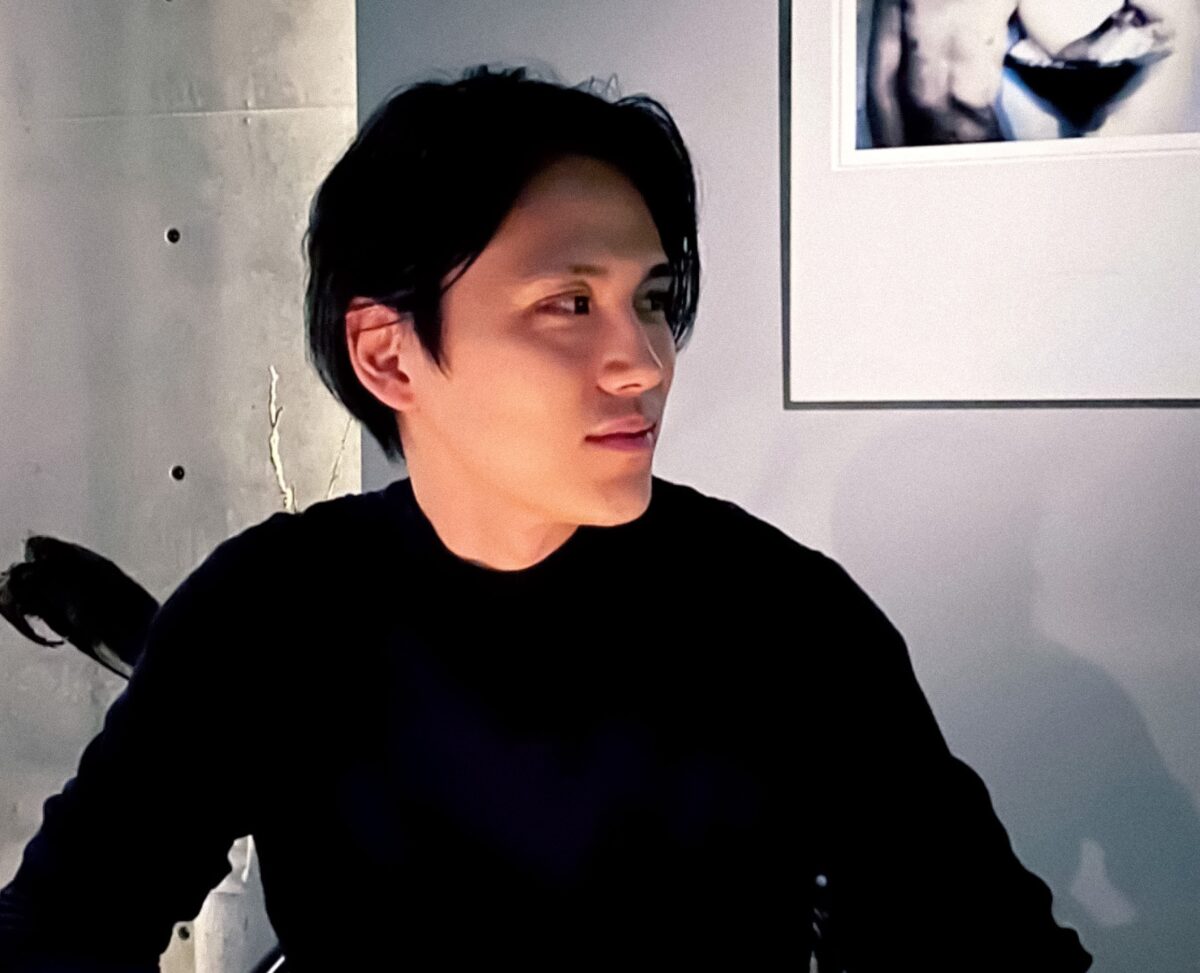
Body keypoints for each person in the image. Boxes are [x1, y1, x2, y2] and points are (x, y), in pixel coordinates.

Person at [0, 63, 1093, 971]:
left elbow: (990, 946)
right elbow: (59, 931)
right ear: (389, 354)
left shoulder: (782, 616)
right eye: (571, 304)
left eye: (652, 300)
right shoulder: (274, 610)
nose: (645, 361)